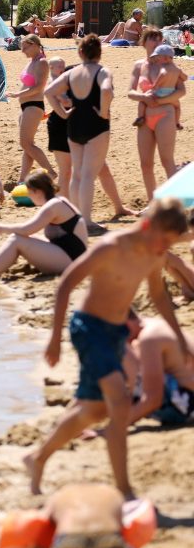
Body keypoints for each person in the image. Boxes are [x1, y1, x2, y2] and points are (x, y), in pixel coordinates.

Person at [28, 198, 190, 498]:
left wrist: (180, 339)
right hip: (89, 329)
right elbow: (66, 284)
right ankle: (125, 490)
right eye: (163, 240)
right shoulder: (111, 247)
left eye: (170, 243)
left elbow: (159, 296)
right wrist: (54, 339)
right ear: (147, 225)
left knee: (93, 411)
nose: (163, 249)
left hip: (116, 333)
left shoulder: (155, 255)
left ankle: (37, 458)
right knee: (119, 403)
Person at [45, 35, 114, 232]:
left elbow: (49, 92)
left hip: (74, 124)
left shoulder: (72, 73)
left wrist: (63, 113)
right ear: (99, 52)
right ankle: (87, 220)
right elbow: (107, 90)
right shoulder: (102, 71)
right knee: (88, 175)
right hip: (96, 125)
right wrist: (102, 111)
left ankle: (75, 217)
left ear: (80, 52)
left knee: (77, 175)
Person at [0, 172, 88, 285]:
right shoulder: (58, 201)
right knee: (21, 238)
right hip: (71, 256)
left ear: (36, 191)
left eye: (29, 192)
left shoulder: (53, 206)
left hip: (72, 262)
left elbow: (27, 229)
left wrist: (1, 228)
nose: (29, 196)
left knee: (15, 240)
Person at [129, 38, 185, 199]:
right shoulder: (139, 65)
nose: (155, 42)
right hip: (145, 117)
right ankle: (153, 204)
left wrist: (159, 100)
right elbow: (130, 93)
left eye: (158, 39)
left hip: (165, 114)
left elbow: (182, 91)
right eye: (152, 39)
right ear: (144, 43)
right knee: (145, 164)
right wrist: (144, 97)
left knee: (167, 160)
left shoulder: (170, 66)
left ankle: (178, 205)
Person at [6, 34, 56, 182]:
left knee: (26, 143)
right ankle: (22, 179)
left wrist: (17, 94)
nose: (23, 51)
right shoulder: (33, 61)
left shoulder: (42, 62)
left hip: (34, 106)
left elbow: (39, 87)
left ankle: (51, 172)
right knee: (28, 146)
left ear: (34, 45)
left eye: (25, 47)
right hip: (26, 107)